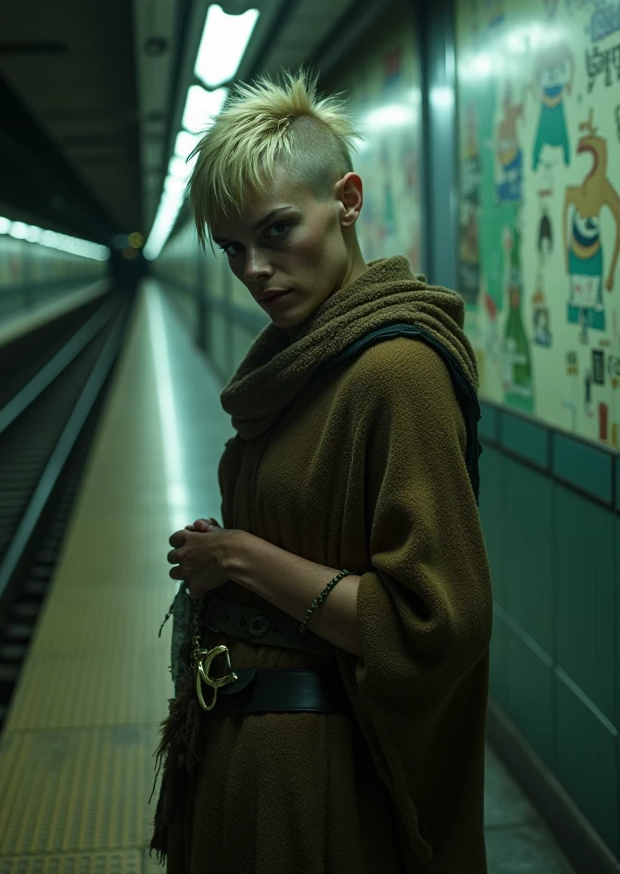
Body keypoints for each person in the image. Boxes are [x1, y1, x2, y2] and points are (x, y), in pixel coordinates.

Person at [150, 71, 493, 873]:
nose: (254, 269)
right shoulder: (305, 364)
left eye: (277, 231)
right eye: (234, 247)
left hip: (324, 787)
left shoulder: (396, 372)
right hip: (260, 758)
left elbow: (435, 623)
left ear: (347, 198)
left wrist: (240, 557)